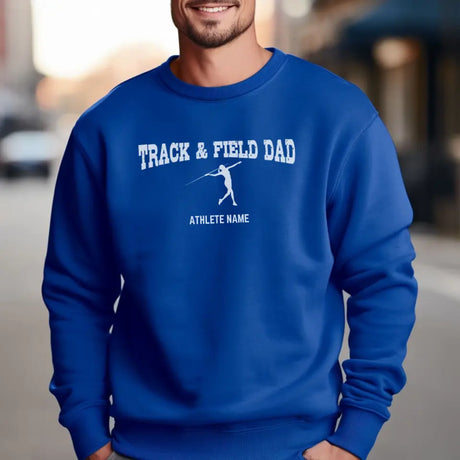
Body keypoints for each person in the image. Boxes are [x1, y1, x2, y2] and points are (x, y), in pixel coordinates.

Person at [41, 1, 418, 459]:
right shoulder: (108, 128)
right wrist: (88, 429)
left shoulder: (336, 115)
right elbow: (76, 290)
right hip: (145, 447)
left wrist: (356, 431)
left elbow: (383, 277)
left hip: (297, 447)